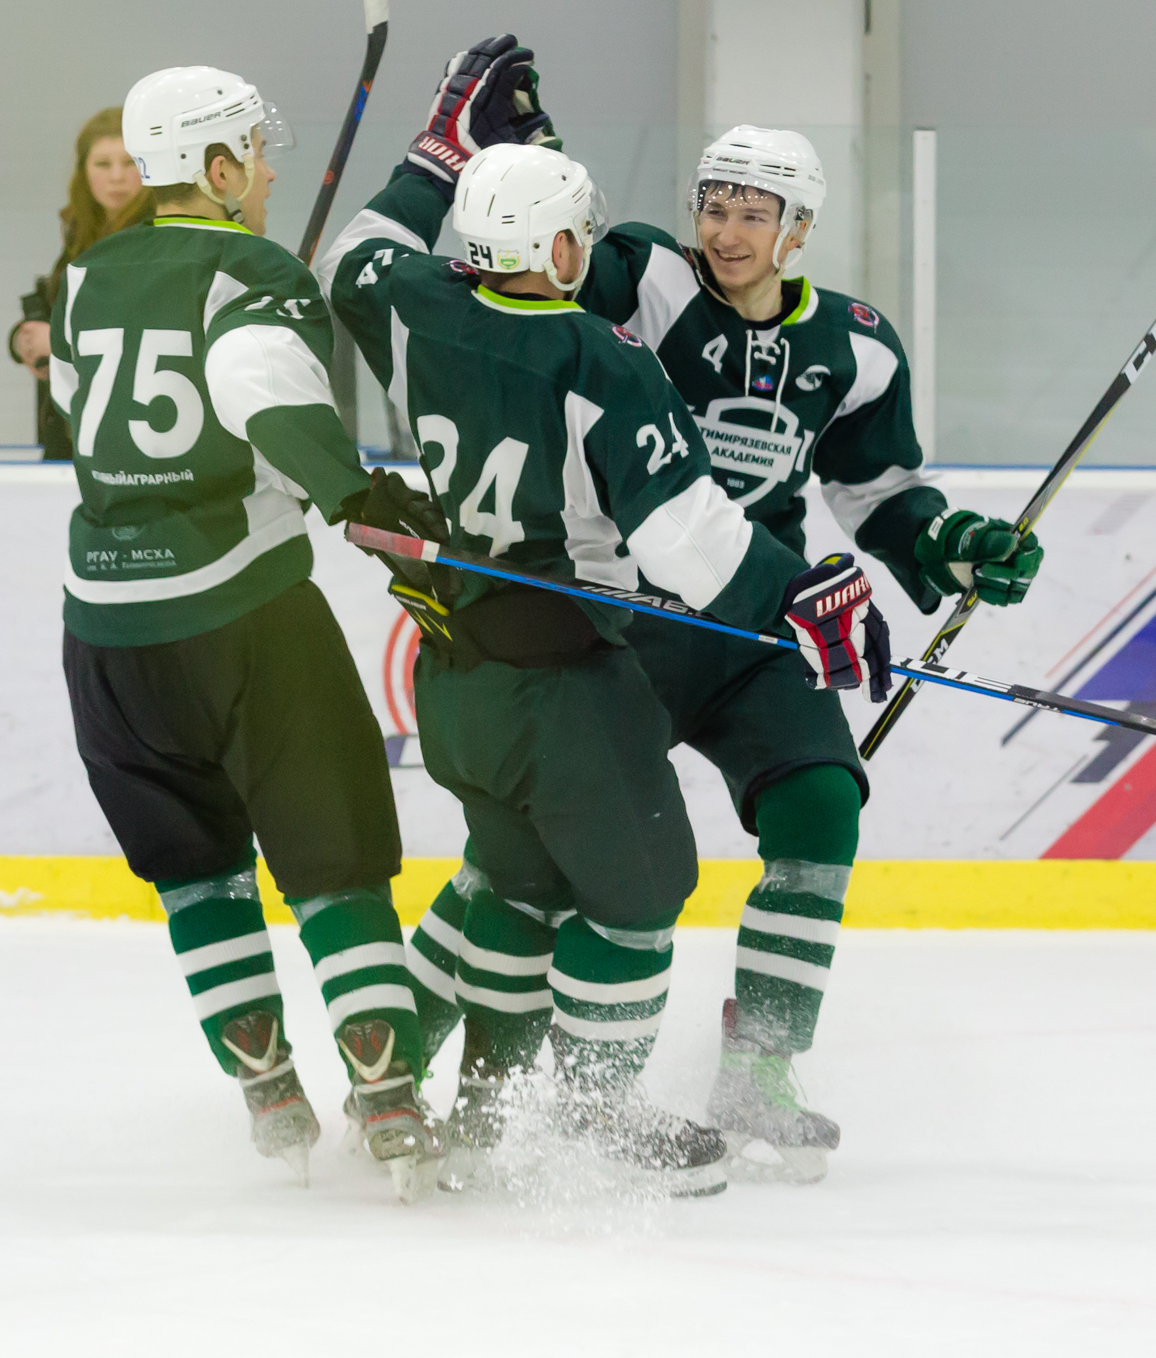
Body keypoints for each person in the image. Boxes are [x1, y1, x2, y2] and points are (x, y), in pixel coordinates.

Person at [317, 79, 879, 1195]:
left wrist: (433, 157)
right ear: (562, 246)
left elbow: (352, 256)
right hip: (565, 683)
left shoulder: (417, 302)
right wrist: (806, 594)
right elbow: (692, 545)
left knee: (513, 886)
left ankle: (408, 1082)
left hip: (456, 673)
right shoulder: (605, 361)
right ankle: (598, 1112)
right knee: (638, 892)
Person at [46, 64, 441, 1197]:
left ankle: (268, 1089)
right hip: (242, 616)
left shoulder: (82, 276)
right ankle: (387, 1092)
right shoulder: (255, 270)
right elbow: (258, 385)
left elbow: (85, 410)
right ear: (217, 169)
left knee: (195, 867)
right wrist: (358, 496)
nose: (268, 174)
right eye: (255, 156)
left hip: (105, 635)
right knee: (332, 856)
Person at [11, 108, 155, 458]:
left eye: (130, 163)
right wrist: (25, 338)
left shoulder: (160, 238)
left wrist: (58, 342)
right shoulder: (81, 233)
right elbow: (64, 308)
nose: (117, 177)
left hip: (132, 431)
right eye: (103, 164)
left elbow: (148, 330)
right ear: (84, 172)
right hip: (73, 426)